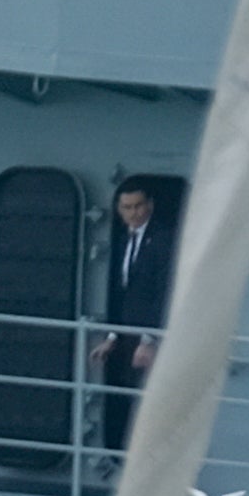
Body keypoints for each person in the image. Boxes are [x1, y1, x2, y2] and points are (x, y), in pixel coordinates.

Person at [90, 180, 174, 456]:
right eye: (127, 207)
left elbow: (163, 291)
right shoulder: (121, 240)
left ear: (149, 205)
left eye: (138, 206)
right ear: (118, 209)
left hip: (153, 337)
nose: (134, 213)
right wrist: (112, 337)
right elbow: (122, 295)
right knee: (127, 396)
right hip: (127, 336)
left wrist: (150, 339)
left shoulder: (164, 239)